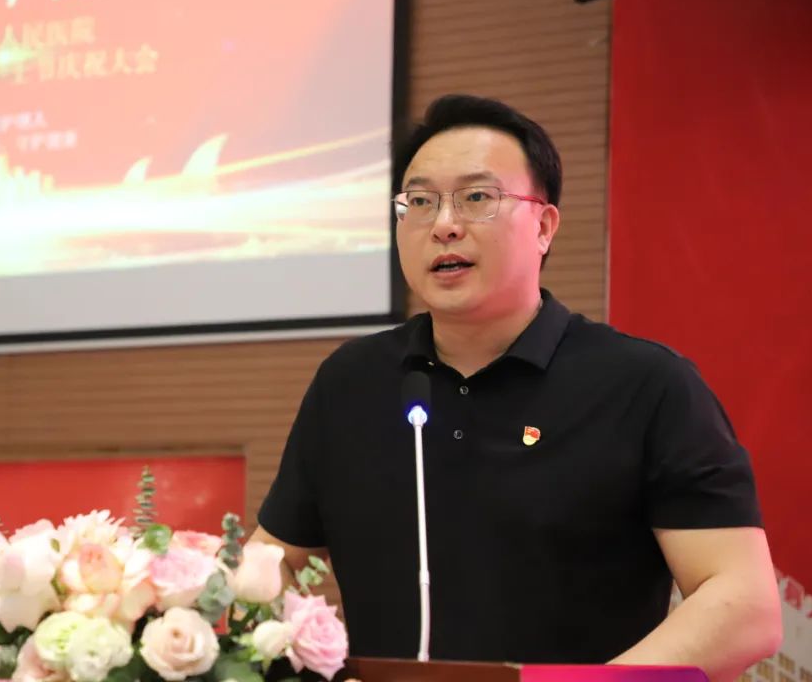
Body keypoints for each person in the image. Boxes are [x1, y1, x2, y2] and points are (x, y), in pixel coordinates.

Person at [250, 94, 782, 682]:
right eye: (420, 202)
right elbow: (272, 563)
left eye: (477, 198)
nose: (444, 224)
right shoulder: (350, 382)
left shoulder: (646, 385)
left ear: (544, 227)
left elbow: (744, 607)